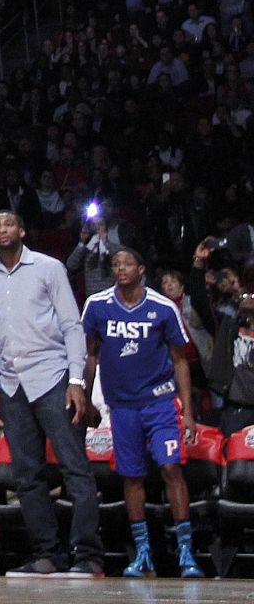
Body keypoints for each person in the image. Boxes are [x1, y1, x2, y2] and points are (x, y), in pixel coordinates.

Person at [0, 209, 102, 577]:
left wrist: (76, 381)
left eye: (8, 224)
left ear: (21, 229)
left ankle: (88, 555)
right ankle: (48, 554)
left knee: (75, 468)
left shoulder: (49, 267)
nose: (2, 230)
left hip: (52, 378)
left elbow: (71, 324)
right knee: (27, 476)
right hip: (12, 383)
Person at [81, 247, 203, 578]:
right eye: (116, 264)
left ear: (142, 269)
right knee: (131, 476)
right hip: (120, 406)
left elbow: (181, 360)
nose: (120, 269)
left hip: (160, 403)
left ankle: (186, 552)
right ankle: (143, 553)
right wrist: (87, 397)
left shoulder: (162, 307)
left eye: (127, 263)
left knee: (170, 468)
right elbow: (90, 356)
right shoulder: (97, 305)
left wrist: (188, 412)